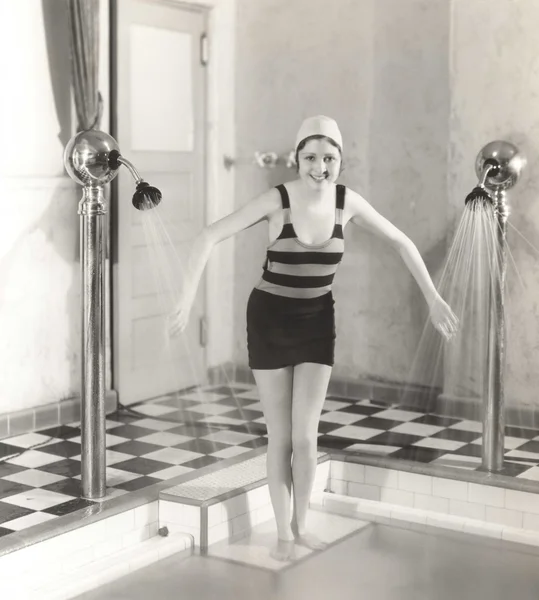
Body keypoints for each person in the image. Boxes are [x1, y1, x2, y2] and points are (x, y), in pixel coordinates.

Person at [169, 115, 458, 561]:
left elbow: (402, 242)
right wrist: (187, 299)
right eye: (310, 157)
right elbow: (209, 236)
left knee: (306, 438)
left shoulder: (349, 202)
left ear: (341, 159)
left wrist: (434, 298)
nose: (319, 167)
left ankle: (303, 525)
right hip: (269, 318)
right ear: (297, 157)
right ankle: (283, 534)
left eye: (329, 158)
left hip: (317, 320)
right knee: (279, 436)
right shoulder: (276, 200)